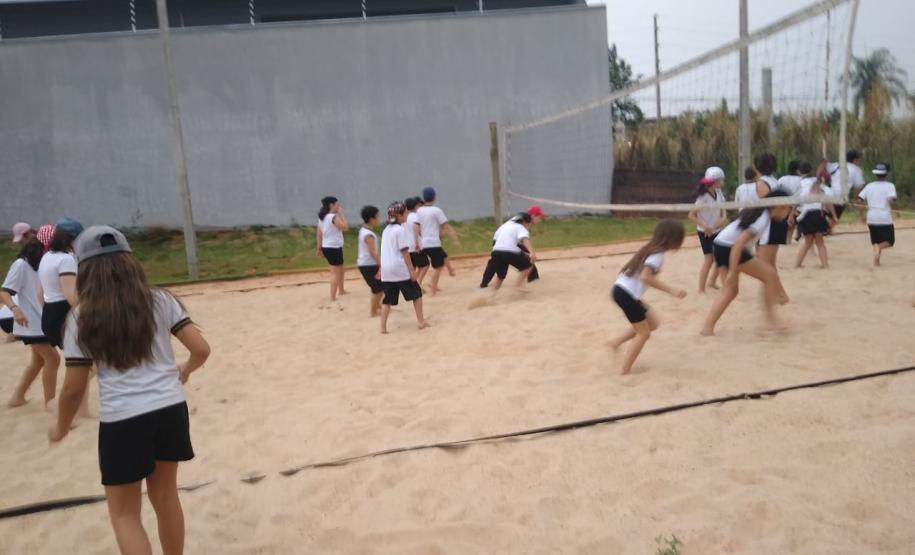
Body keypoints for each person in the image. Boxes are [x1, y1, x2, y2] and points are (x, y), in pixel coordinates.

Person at [49, 225, 211, 555]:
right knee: (166, 499)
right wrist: (186, 370)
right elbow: (202, 349)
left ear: (85, 270)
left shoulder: (81, 317)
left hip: (122, 419)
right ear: (130, 261)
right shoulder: (161, 299)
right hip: (169, 410)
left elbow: (73, 389)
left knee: (124, 515)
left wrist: (60, 427)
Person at [701, 190, 793, 336]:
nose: (789, 213)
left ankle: (707, 327)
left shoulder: (760, 213)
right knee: (769, 275)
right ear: (779, 206)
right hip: (729, 248)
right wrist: (732, 271)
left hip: (720, 245)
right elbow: (738, 244)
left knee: (730, 291)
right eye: (789, 209)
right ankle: (770, 320)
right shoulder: (762, 218)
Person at [608, 220, 687, 374]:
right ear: (674, 239)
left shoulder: (650, 248)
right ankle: (624, 370)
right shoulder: (657, 255)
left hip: (621, 290)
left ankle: (615, 342)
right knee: (643, 333)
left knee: (653, 322)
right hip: (626, 294)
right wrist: (671, 290)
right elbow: (646, 277)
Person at [0, 238, 60, 408]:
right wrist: (14, 309)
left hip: (42, 320)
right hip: (30, 323)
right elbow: (4, 291)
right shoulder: (21, 264)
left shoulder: (44, 264)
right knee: (53, 359)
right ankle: (50, 402)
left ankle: (17, 397)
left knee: (39, 361)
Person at [380, 202, 429, 334]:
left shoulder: (385, 230)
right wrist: (411, 270)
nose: (407, 214)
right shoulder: (400, 230)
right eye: (405, 212)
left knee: (387, 299)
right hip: (399, 268)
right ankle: (421, 321)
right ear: (399, 215)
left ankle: (383, 328)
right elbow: (404, 252)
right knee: (417, 294)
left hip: (386, 269)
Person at [753, 153, 790, 303]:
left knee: (763, 266)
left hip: (769, 225)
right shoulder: (776, 181)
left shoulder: (761, 183)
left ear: (756, 166)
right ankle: (780, 295)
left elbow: (767, 207)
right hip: (777, 223)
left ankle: (775, 296)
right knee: (770, 264)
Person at [480, 206, 545, 288]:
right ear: (533, 215)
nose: (541, 220)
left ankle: (532, 277)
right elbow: (523, 238)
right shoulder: (523, 222)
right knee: (499, 261)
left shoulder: (520, 218)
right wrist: (531, 252)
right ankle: (530, 279)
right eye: (540, 217)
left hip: (501, 239)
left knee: (497, 261)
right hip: (500, 239)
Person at [688, 167, 727, 292]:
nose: (723, 182)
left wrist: (716, 225)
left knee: (720, 258)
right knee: (709, 260)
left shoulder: (719, 193)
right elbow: (691, 215)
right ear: (715, 181)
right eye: (722, 180)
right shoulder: (703, 197)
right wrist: (706, 227)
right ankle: (701, 289)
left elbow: (724, 214)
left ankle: (712, 282)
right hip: (704, 232)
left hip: (716, 230)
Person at [416, 187, 460, 294]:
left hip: (423, 243)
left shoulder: (419, 210)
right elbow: (446, 226)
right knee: (438, 267)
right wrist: (455, 239)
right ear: (434, 197)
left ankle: (450, 271)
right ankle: (433, 289)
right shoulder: (436, 210)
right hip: (433, 243)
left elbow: (418, 226)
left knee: (442, 256)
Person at [795, 162, 836, 268]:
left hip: (806, 214)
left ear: (798, 172)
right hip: (817, 213)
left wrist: (791, 215)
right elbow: (828, 198)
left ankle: (797, 264)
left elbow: (795, 201)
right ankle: (825, 264)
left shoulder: (800, 184)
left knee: (807, 242)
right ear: (811, 171)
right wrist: (834, 215)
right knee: (820, 242)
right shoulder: (818, 183)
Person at [856, 163, 898, 267]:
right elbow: (891, 201)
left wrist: (862, 215)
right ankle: (878, 249)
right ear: (886, 174)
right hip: (884, 218)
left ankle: (876, 262)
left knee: (876, 241)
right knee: (889, 241)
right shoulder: (890, 186)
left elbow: (859, 200)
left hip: (871, 217)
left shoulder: (869, 186)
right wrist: (896, 210)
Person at [489, 212, 537, 292]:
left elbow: (507, 243)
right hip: (509, 251)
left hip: (496, 252)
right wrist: (532, 253)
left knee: (500, 277)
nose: (528, 226)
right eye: (529, 224)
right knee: (528, 266)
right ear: (525, 222)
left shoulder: (506, 227)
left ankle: (489, 296)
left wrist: (525, 254)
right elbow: (524, 239)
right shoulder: (520, 228)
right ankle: (518, 285)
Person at [316, 196, 348, 302]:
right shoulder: (333, 217)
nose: (338, 206)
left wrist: (319, 247)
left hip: (329, 247)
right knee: (335, 272)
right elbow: (345, 227)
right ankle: (332, 297)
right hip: (333, 248)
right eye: (337, 204)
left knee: (341, 268)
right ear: (331, 205)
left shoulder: (322, 218)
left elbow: (319, 234)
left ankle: (342, 290)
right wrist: (342, 214)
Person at [357, 206, 384, 317]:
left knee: (379, 287)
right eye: (377, 216)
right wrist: (381, 264)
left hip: (368, 264)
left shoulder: (364, 230)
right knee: (378, 289)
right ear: (372, 219)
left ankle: (377, 306)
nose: (379, 219)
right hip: (368, 265)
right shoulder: (368, 235)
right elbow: (372, 253)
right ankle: (373, 312)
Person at [405, 197, 430, 285]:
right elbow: (416, 228)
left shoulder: (405, 218)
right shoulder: (415, 216)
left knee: (414, 267)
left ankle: (413, 283)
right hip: (415, 245)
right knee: (425, 264)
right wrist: (416, 243)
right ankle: (418, 283)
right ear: (415, 206)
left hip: (407, 247)